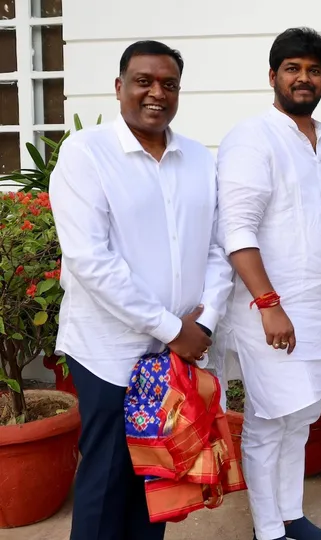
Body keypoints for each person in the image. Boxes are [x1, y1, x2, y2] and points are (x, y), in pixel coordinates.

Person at [49, 40, 233, 540]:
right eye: (143, 81)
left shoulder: (196, 157)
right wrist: (173, 328)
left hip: (177, 358)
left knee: (159, 484)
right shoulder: (86, 154)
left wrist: (207, 320)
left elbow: (219, 247)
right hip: (112, 355)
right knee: (107, 486)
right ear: (119, 88)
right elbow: (90, 260)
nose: (157, 93)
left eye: (168, 84)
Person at [215, 27, 321, 540]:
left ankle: (292, 516)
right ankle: (268, 530)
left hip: (317, 310)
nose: (304, 78)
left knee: (302, 417)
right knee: (270, 420)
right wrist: (269, 303)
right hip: (267, 311)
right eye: (292, 68)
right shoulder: (251, 137)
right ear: (273, 76)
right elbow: (237, 230)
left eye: (313, 70)